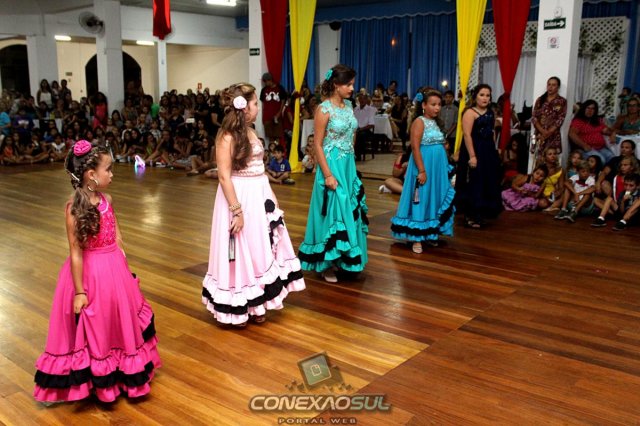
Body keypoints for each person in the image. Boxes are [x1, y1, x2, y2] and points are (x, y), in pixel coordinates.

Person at [33, 140, 161, 403]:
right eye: (108, 169)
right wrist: (80, 292)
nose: (112, 174)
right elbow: (75, 252)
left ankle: (120, 369)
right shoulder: (74, 208)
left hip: (114, 270)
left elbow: (117, 234)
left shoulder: (107, 200)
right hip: (91, 276)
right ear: (91, 175)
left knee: (117, 321)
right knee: (96, 326)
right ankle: (99, 379)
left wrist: (122, 262)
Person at [202, 83, 305, 327]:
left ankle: (257, 302)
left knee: (259, 248)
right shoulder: (226, 136)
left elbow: (259, 169)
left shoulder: (250, 130)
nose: (258, 107)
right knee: (240, 250)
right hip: (239, 197)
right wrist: (236, 211)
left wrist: (271, 196)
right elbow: (224, 176)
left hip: (258, 195)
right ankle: (238, 307)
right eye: (256, 103)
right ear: (244, 107)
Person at [298, 65, 368, 282]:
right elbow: (317, 145)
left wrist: (351, 159)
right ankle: (326, 264)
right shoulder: (323, 109)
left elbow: (352, 133)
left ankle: (343, 259)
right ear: (336, 85)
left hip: (347, 165)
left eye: (352, 84)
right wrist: (328, 174)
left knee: (348, 209)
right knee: (334, 209)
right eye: (348, 84)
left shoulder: (349, 106)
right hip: (331, 164)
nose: (352, 88)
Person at [390, 90, 455, 253]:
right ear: (424, 105)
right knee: (421, 197)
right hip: (424, 165)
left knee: (434, 198)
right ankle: (416, 238)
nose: (437, 108)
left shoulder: (436, 122)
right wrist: (421, 170)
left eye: (439, 105)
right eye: (433, 104)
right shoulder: (419, 122)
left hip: (437, 168)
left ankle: (429, 233)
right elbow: (415, 147)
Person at [455, 84, 502, 228]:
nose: (485, 98)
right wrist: (472, 156)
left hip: (487, 150)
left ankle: (480, 213)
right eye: (482, 95)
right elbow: (467, 135)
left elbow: (492, 132)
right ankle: (470, 215)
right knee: (473, 181)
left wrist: (494, 151)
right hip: (474, 150)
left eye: (487, 95)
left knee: (486, 180)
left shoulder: (490, 112)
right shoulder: (469, 112)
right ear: (475, 96)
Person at [532, 77, 567, 158]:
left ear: (558, 87)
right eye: (549, 84)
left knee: (551, 159)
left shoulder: (562, 101)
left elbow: (560, 119)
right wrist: (542, 131)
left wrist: (548, 132)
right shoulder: (540, 99)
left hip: (553, 135)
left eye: (553, 85)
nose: (550, 87)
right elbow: (534, 117)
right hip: (539, 134)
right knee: (538, 159)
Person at [259, 72, 287, 146]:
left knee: (277, 135)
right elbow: (263, 104)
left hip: (277, 116)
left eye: (266, 81)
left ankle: (277, 149)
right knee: (270, 136)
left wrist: (279, 113)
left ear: (270, 80)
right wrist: (263, 117)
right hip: (267, 117)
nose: (265, 83)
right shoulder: (264, 90)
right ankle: (271, 150)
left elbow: (283, 102)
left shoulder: (280, 88)